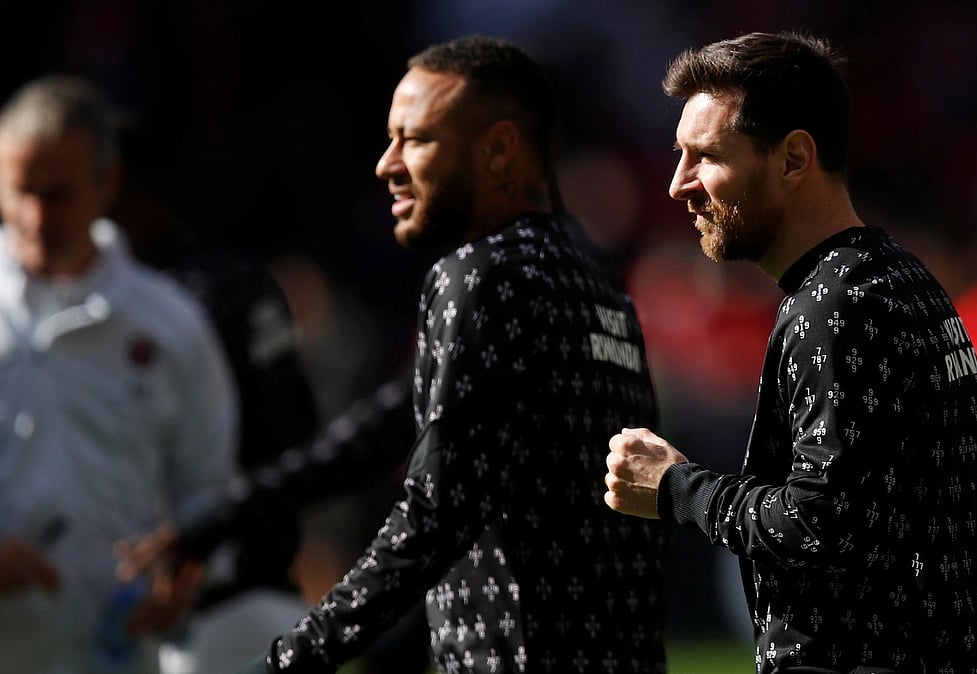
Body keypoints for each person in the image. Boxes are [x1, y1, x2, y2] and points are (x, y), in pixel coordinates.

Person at [235, 35, 670, 674]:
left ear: (497, 149)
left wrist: (286, 661)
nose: (387, 163)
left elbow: (433, 515)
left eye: (414, 140)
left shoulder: (477, 273)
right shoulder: (600, 286)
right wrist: (219, 519)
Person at [603, 31, 977, 673]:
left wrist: (675, 487)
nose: (678, 185)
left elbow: (818, 524)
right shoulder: (902, 279)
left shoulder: (834, 304)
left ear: (792, 159)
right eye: (679, 155)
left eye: (705, 157)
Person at [0, 75, 238, 673]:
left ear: (106, 183)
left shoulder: (171, 323)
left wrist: (178, 583)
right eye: (19, 190)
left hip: (119, 654)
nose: (35, 216)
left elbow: (209, 489)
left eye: (57, 195)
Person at [108, 121, 325, 674]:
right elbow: (305, 437)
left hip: (188, 613)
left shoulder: (170, 308)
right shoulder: (239, 281)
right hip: (257, 599)